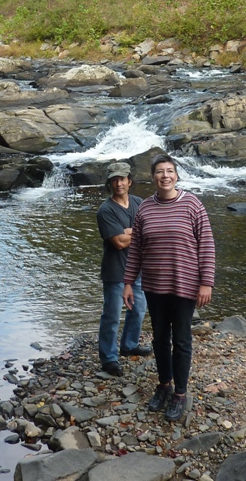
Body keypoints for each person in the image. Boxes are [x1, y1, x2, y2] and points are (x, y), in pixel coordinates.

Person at [122, 153, 215, 422]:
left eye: (170, 171)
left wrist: (206, 282)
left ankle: (180, 395)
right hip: (153, 286)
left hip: (185, 285)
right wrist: (128, 283)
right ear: (152, 177)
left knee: (182, 340)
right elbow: (136, 250)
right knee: (160, 338)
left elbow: (207, 245)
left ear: (176, 175)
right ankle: (164, 385)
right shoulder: (145, 209)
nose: (165, 176)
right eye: (160, 171)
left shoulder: (193, 205)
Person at [97, 161, 152, 378]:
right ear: (109, 183)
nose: (119, 183)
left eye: (122, 179)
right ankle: (109, 358)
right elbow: (119, 242)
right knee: (111, 316)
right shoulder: (105, 210)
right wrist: (136, 233)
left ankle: (129, 345)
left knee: (138, 310)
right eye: (114, 179)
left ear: (130, 181)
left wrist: (131, 231)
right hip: (115, 271)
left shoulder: (140, 203)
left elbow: (151, 231)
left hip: (139, 269)